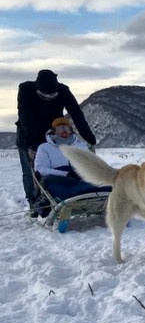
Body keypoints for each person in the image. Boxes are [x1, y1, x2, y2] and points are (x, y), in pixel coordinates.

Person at [15, 69, 97, 216]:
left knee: (63, 167)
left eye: (51, 96)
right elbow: (25, 116)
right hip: (28, 132)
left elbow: (76, 113)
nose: (48, 98)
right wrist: (33, 143)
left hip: (57, 130)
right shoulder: (26, 89)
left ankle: (67, 196)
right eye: (45, 95)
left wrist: (89, 137)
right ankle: (34, 203)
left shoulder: (63, 90)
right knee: (31, 171)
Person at [33, 117, 110, 214]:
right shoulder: (45, 147)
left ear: (71, 130)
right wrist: (65, 174)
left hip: (81, 177)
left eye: (67, 128)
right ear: (53, 131)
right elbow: (40, 169)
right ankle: (77, 194)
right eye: (60, 128)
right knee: (60, 187)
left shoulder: (80, 145)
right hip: (59, 180)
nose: (64, 131)